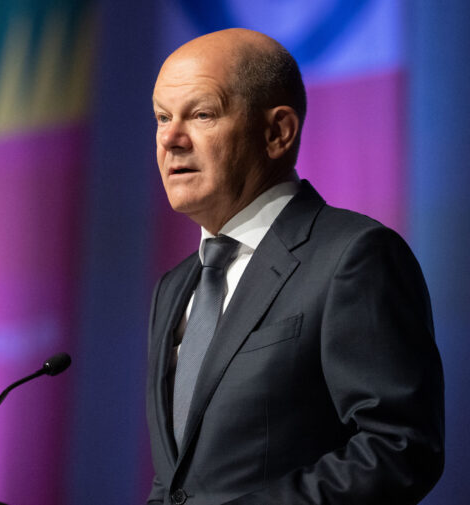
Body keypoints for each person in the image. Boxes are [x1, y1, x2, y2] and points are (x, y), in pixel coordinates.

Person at [146, 28, 444, 505]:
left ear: (277, 132)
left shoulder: (353, 256)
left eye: (201, 114)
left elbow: (397, 447)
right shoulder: (175, 286)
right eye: (162, 117)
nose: (172, 139)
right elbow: (179, 482)